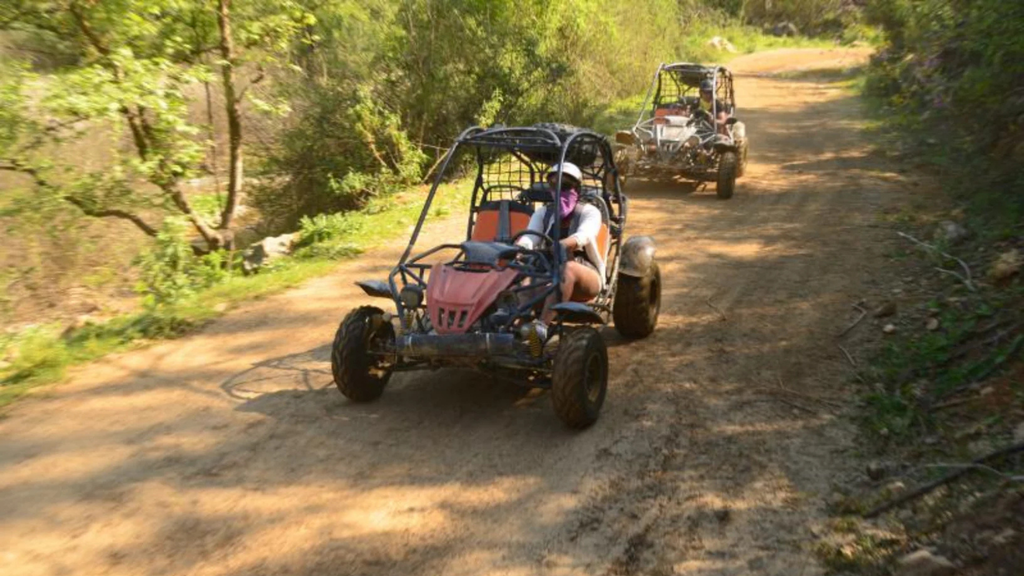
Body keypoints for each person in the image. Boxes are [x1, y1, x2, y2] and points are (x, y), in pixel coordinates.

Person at [516, 162, 605, 322]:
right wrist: (520, 247)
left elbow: (584, 235)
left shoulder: (589, 211)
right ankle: (519, 328)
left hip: (584, 273)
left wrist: (563, 244)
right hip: (549, 271)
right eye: (553, 185)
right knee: (524, 283)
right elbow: (530, 237)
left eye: (565, 186)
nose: (559, 191)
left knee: (568, 269)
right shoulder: (543, 213)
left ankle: (542, 326)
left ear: (576, 189)